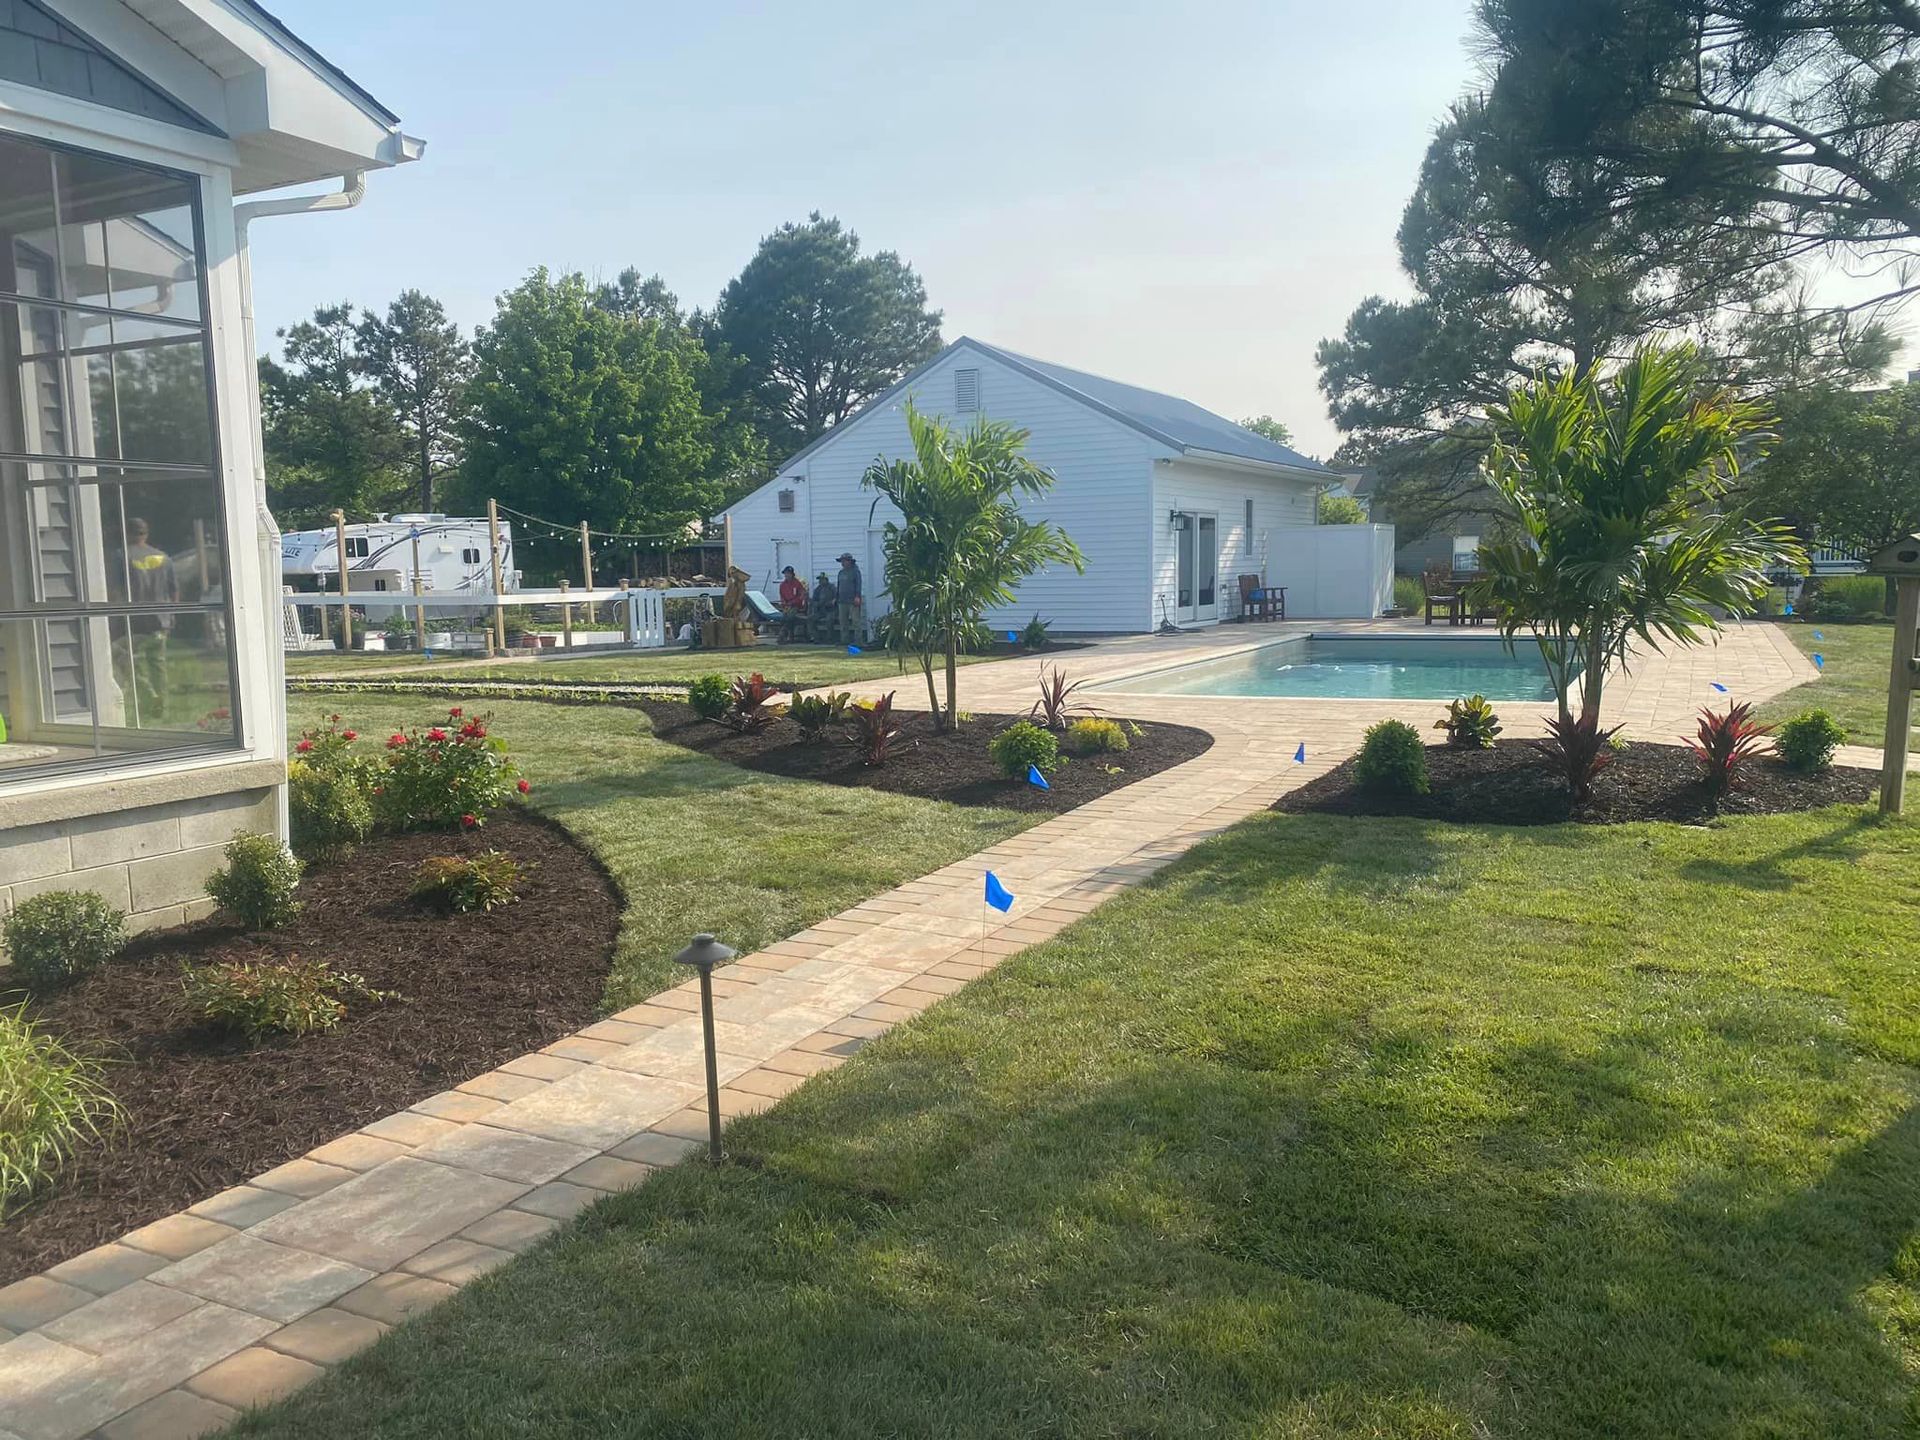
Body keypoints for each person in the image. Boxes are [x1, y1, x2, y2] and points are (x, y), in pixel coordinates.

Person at [115, 517, 175, 720]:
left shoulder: (122, 556)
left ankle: (149, 695)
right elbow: (174, 590)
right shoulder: (163, 558)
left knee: (125, 659)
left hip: (135, 622)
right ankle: (162, 706)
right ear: (146, 533)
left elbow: (116, 590)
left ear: (128, 533)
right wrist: (171, 617)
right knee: (158, 664)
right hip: (161, 621)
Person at [835, 551, 863, 645]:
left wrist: (857, 596)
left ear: (849, 561)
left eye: (844, 561)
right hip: (842, 601)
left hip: (852, 600)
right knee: (843, 622)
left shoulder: (855, 572)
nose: (842, 563)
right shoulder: (841, 573)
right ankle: (844, 640)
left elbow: (858, 585)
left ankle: (858, 641)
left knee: (856, 622)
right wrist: (837, 597)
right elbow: (839, 586)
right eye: (841, 561)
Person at [777, 564, 808, 642]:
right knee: (784, 617)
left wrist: (793, 602)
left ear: (792, 574)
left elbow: (801, 596)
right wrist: (784, 603)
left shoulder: (797, 584)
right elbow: (782, 596)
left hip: (796, 606)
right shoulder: (782, 585)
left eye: (788, 573)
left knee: (790, 616)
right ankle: (787, 636)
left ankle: (783, 634)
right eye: (785, 573)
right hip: (786, 606)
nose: (787, 575)